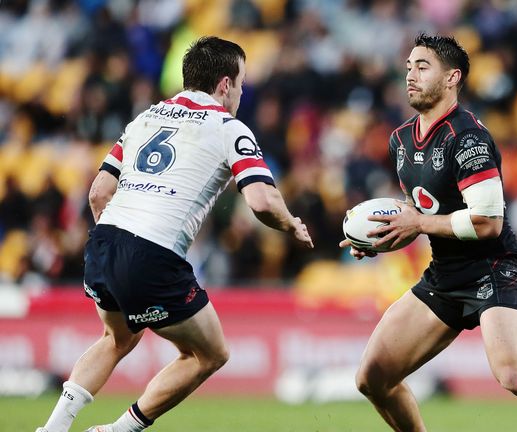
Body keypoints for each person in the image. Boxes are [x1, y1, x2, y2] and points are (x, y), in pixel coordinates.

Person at [37, 36, 313, 432]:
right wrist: (290, 224)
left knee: (116, 338)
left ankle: (52, 428)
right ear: (225, 84)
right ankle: (119, 430)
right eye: (241, 83)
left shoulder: (145, 118)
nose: (241, 92)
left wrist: (115, 244)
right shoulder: (228, 127)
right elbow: (261, 201)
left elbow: (99, 192)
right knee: (210, 354)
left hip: (105, 240)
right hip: (152, 253)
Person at [340, 34, 517, 432]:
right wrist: (381, 236)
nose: (410, 75)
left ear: (452, 77)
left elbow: (487, 222)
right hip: (445, 274)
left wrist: (418, 223)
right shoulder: (401, 140)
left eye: (423, 67)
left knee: (516, 374)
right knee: (372, 378)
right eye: (408, 67)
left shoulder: (468, 138)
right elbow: (420, 213)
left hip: (495, 270)